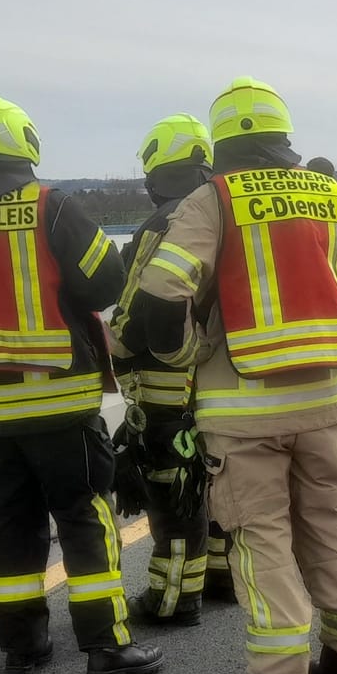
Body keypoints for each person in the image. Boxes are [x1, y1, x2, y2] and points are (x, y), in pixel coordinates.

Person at [124, 76, 337, 674]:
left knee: (263, 540)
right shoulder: (333, 194)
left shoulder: (215, 198)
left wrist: (186, 355)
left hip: (242, 408)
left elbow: (161, 294)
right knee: (331, 527)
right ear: (284, 134)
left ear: (222, 140)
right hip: (327, 402)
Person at [0, 94, 164, 674]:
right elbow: (108, 281)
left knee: (8, 529)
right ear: (23, 144)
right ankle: (105, 646)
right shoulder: (52, 206)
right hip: (60, 405)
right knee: (83, 519)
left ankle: (23, 648)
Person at [109, 113, 232, 627]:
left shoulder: (163, 223)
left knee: (173, 491)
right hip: (225, 379)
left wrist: (117, 351)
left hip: (167, 380)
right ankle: (223, 577)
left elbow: (142, 307)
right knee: (217, 478)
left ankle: (173, 596)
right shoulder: (223, 212)